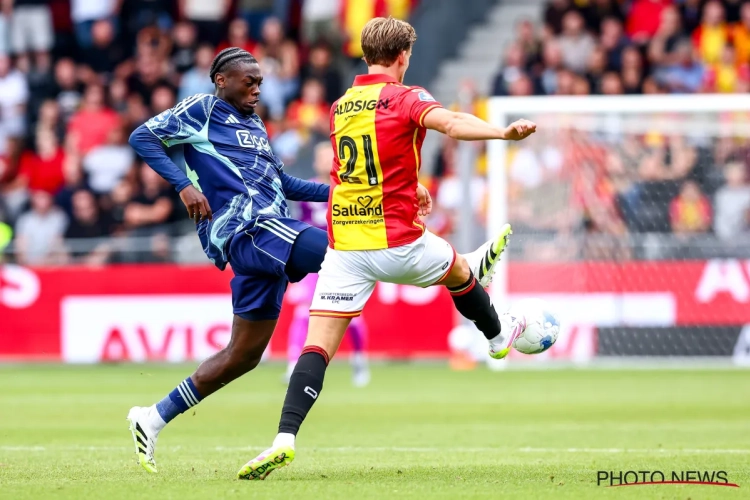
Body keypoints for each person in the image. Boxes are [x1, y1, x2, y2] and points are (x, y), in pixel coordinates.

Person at [125, 46, 505, 475]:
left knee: (242, 355)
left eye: (260, 82)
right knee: (347, 253)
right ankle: (457, 268)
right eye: (248, 82)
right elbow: (143, 137)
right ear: (221, 81)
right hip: (250, 229)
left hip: (266, 236)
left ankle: (151, 418)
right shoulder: (202, 109)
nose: (257, 89)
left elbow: (283, 183)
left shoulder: (254, 125)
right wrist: (183, 186)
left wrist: (363, 192)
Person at [238, 17, 536, 480]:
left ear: (364, 56)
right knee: (461, 272)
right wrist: (502, 134)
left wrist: (410, 184)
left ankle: (283, 439)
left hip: (344, 245)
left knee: (316, 348)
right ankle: (497, 337)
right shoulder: (407, 96)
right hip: (397, 240)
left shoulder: (340, 106)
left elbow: (358, 168)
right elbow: (453, 123)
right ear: (403, 56)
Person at [285, 142, 369, 387]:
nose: (325, 161)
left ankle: (359, 360)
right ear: (315, 161)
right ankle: (293, 364)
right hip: (316, 263)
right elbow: (299, 226)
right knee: (303, 312)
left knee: (351, 316)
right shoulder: (307, 191)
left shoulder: (349, 189)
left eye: (329, 157)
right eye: (321, 157)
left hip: (345, 261)